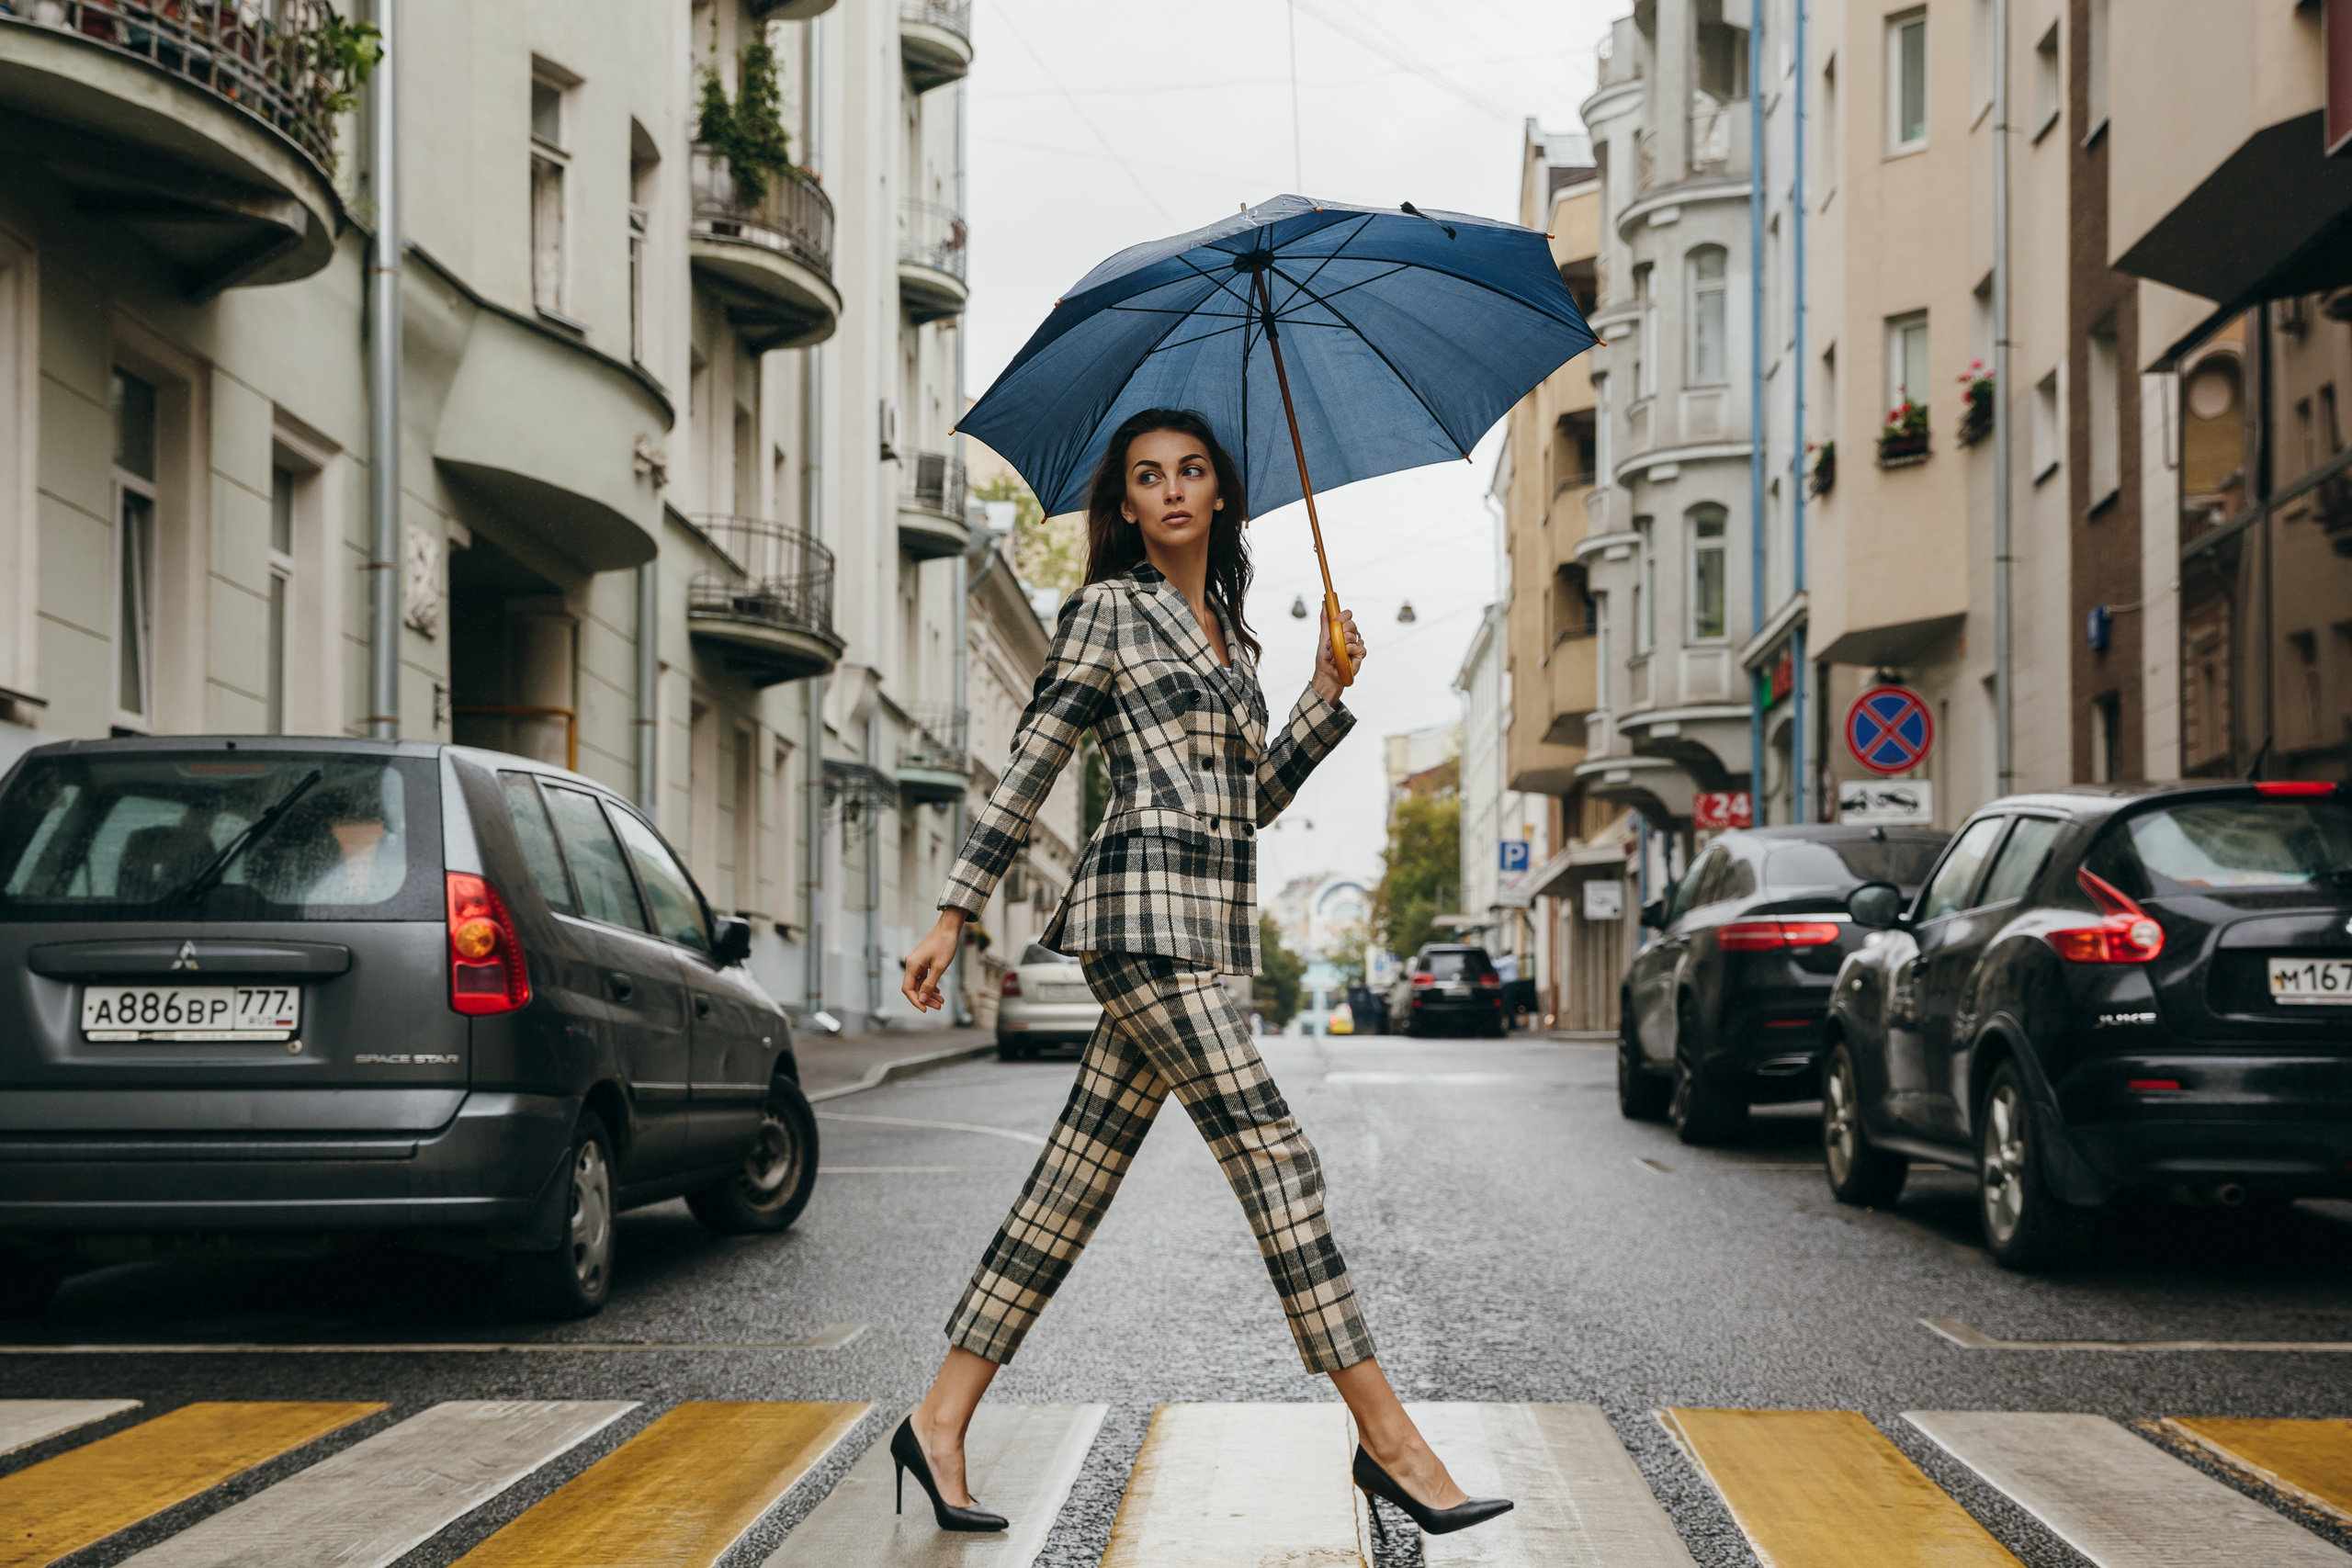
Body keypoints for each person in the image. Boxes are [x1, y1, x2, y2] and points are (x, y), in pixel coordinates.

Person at [896, 410, 1511, 1539]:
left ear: (1220, 494)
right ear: (1123, 507)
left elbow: (1248, 805)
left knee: (1067, 1191)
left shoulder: (1231, 635)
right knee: (1278, 1155)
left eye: (1189, 472)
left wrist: (1324, 694)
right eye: (1146, 477)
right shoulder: (1106, 611)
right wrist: (953, 912)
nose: (1171, 490)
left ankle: (937, 1422)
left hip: (1207, 931)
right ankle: (1391, 1441)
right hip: (1139, 921)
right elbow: (1032, 762)